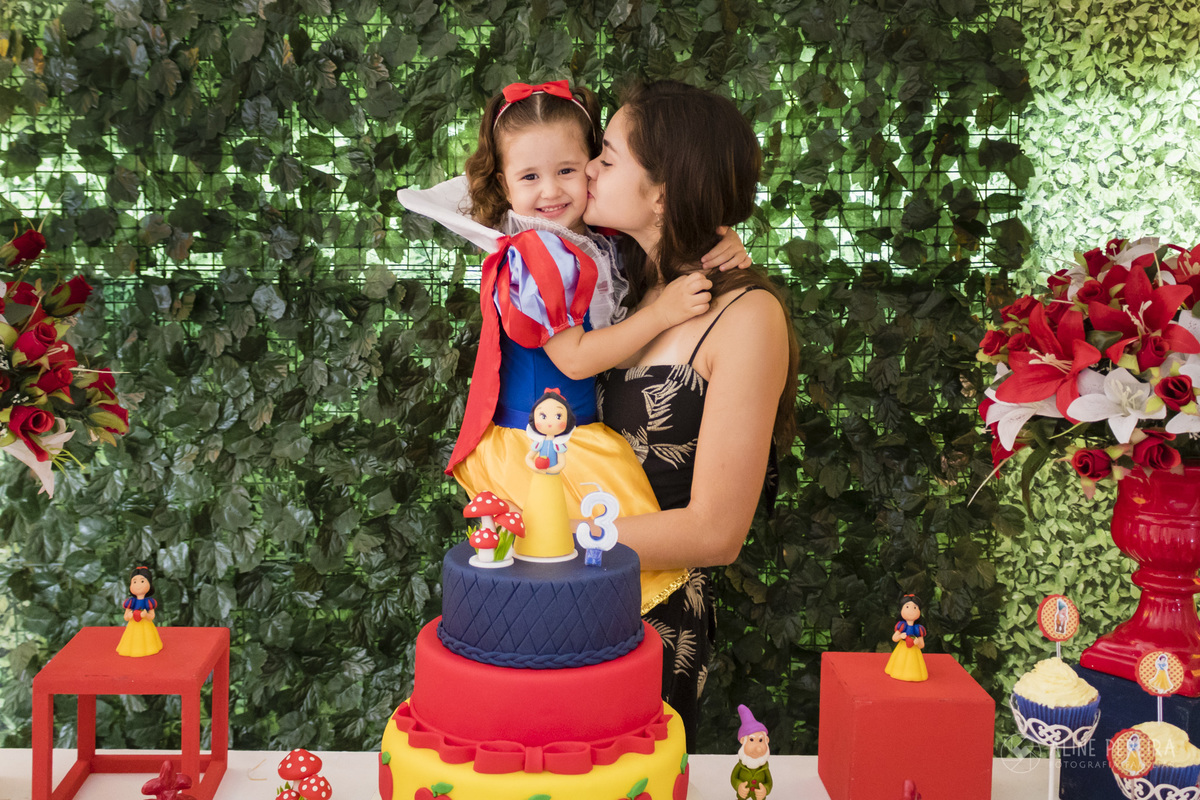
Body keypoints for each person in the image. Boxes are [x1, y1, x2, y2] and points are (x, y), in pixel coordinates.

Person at [398, 80, 751, 612]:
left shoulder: (601, 244)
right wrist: (662, 312)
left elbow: (668, 232)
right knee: (562, 585)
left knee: (578, 591)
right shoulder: (541, 255)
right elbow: (576, 355)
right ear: (505, 183)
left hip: (578, 441)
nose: (559, 188)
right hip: (544, 443)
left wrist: (719, 239)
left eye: (578, 167)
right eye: (531, 177)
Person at [586, 80, 800, 748]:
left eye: (608, 157)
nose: (588, 169)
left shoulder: (747, 315)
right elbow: (505, 192)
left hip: (653, 621)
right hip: (574, 599)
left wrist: (562, 543)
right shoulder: (621, 284)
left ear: (662, 191)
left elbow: (716, 533)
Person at [116, 566, 163, 657]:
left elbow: (152, 616)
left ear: (149, 584)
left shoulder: (149, 602)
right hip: (133, 625)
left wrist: (146, 615)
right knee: (133, 640)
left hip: (146, 625)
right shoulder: (131, 601)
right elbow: (125, 617)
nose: (138, 585)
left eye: (142, 581)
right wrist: (129, 615)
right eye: (134, 582)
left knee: (148, 640)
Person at [730, 705, 773, 799]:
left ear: (767, 740)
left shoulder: (764, 767)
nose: (758, 749)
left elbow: (769, 782)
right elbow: (734, 778)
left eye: (761, 740)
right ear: (743, 741)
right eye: (752, 740)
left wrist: (765, 789)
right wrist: (739, 786)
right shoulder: (741, 765)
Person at [884, 594, 928, 682]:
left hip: (914, 650)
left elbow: (922, 645)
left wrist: (917, 642)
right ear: (901, 610)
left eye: (915, 608)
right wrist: (900, 636)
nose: (911, 611)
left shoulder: (918, 629)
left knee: (914, 665)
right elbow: (894, 638)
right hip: (902, 647)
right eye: (907, 607)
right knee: (899, 663)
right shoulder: (902, 626)